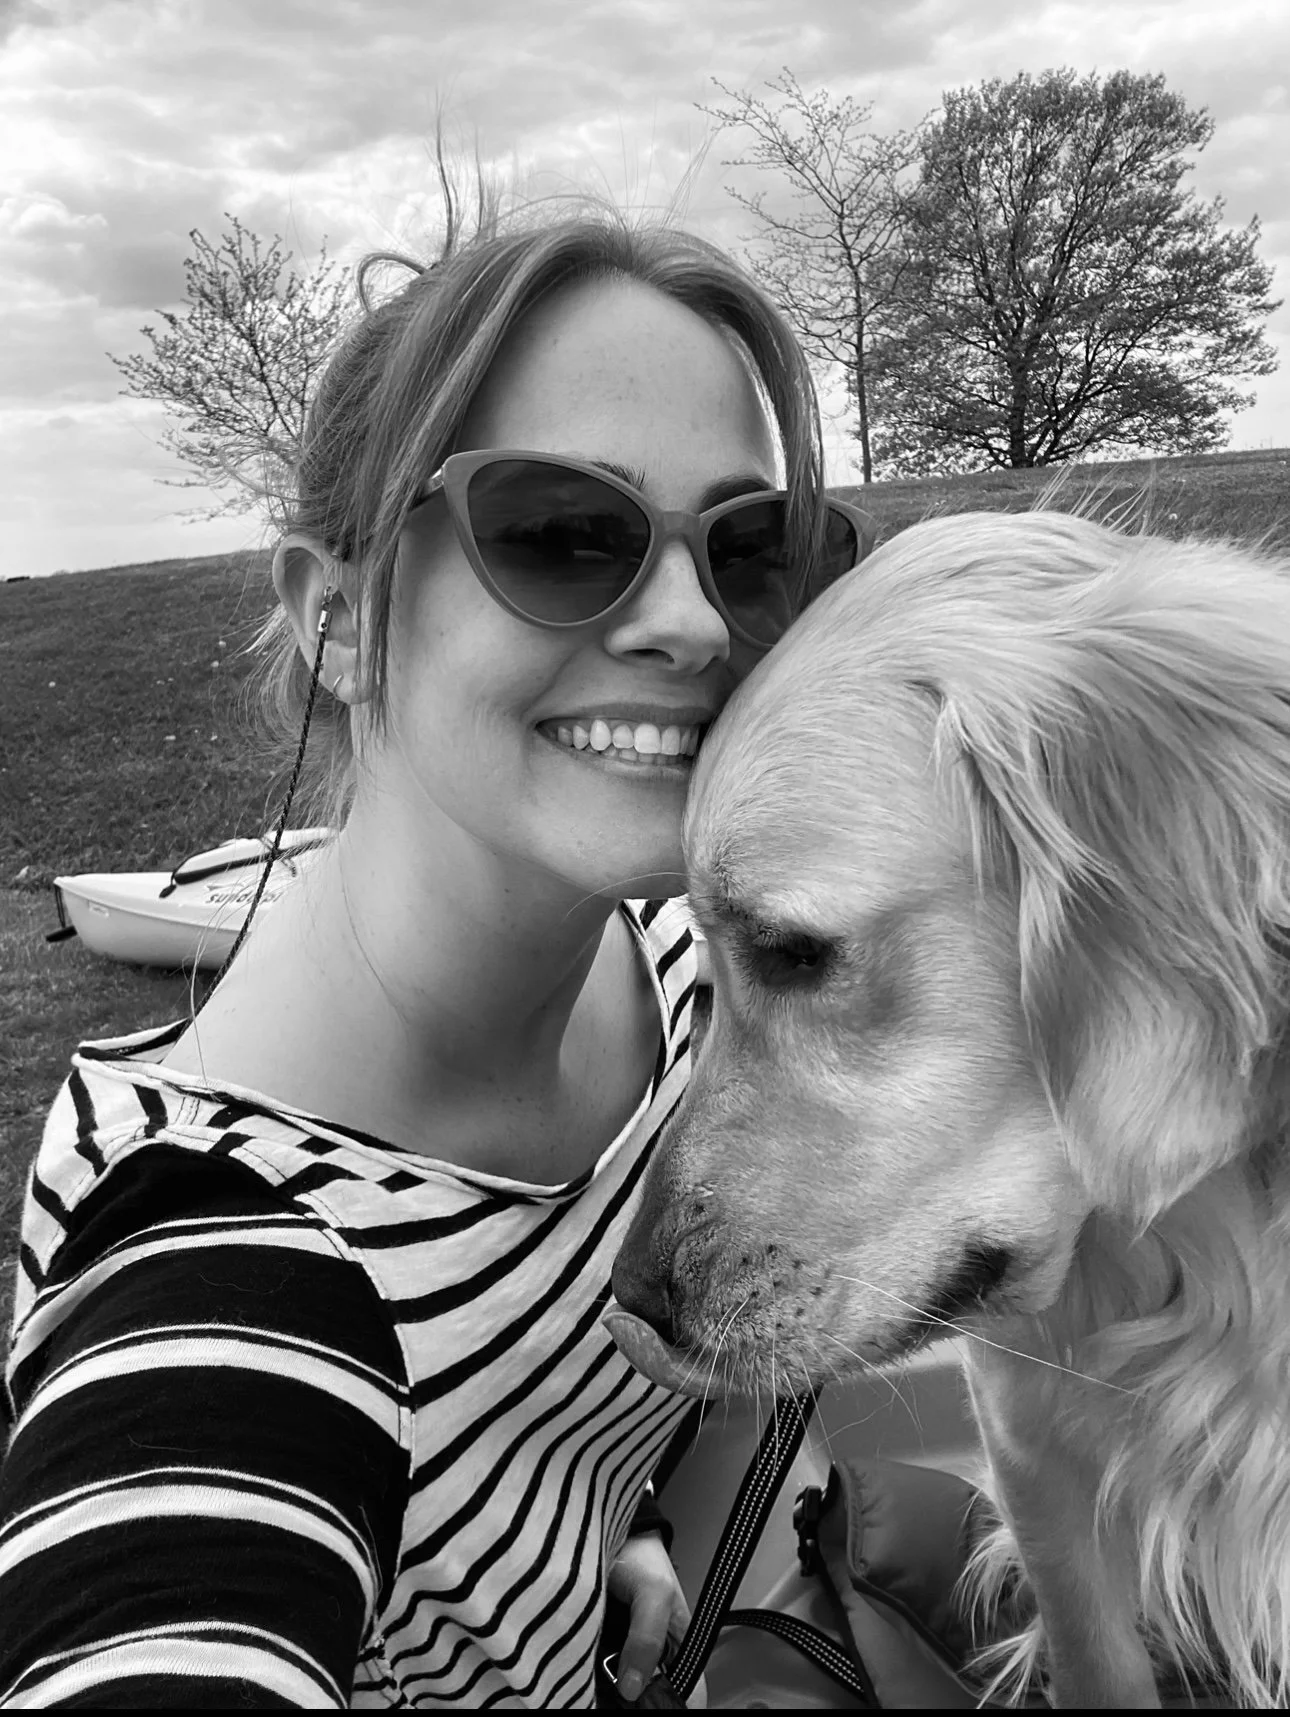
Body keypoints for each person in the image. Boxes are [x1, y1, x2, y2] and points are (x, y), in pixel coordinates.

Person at [0, 204, 868, 1707]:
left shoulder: (685, 975)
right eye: (560, 531)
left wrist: (614, 1522)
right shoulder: (232, 1277)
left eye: (749, 548)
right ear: (336, 621)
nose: (687, 622)